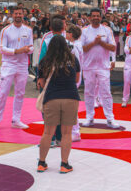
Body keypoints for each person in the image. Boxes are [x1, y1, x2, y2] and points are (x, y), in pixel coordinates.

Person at [36, 35, 80, 174]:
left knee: (48, 132)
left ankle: (41, 163)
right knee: (66, 133)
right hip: (70, 97)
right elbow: (77, 79)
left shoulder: (45, 61)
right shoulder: (73, 59)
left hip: (51, 98)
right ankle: (64, 164)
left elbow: (42, 83)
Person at [0, 7, 34, 131]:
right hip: (8, 65)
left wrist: (27, 50)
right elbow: (2, 48)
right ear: (12, 15)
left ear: (23, 15)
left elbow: (31, 48)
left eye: (20, 13)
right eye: (16, 13)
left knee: (20, 93)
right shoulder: (5, 30)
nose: (18, 15)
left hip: (22, 65)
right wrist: (17, 51)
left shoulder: (28, 30)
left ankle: (16, 119)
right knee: (3, 92)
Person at [80, 8, 120, 128]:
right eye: (93, 16)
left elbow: (113, 48)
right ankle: (89, 117)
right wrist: (94, 42)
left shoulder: (107, 30)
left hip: (103, 66)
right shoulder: (84, 31)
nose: (96, 18)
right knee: (89, 93)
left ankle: (110, 118)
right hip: (88, 67)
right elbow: (82, 49)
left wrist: (101, 43)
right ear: (90, 17)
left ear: (101, 17)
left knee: (106, 92)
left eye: (98, 16)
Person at [66, 24, 83, 142]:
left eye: (67, 32)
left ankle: (75, 131)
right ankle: (74, 128)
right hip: (76, 75)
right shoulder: (78, 45)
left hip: (73, 76)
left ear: (70, 34)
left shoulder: (74, 47)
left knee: (71, 105)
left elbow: (74, 63)